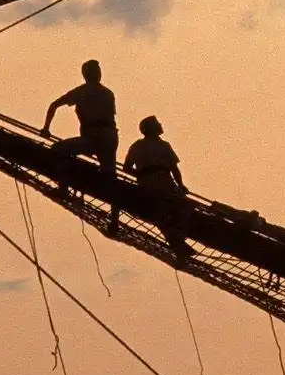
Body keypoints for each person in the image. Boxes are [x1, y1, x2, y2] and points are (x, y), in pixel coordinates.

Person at [43, 59, 118, 182]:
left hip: (93, 137)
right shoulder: (108, 93)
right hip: (110, 138)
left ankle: (64, 185)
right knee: (109, 177)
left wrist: (46, 128)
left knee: (58, 149)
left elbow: (54, 105)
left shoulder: (83, 91)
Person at [124, 115, 190, 254]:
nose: (161, 125)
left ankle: (176, 241)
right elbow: (174, 169)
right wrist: (180, 185)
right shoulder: (163, 146)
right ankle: (178, 241)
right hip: (163, 181)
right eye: (157, 123)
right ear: (152, 128)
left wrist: (141, 175)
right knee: (180, 208)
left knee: (162, 214)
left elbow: (127, 167)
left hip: (149, 182)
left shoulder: (138, 145)